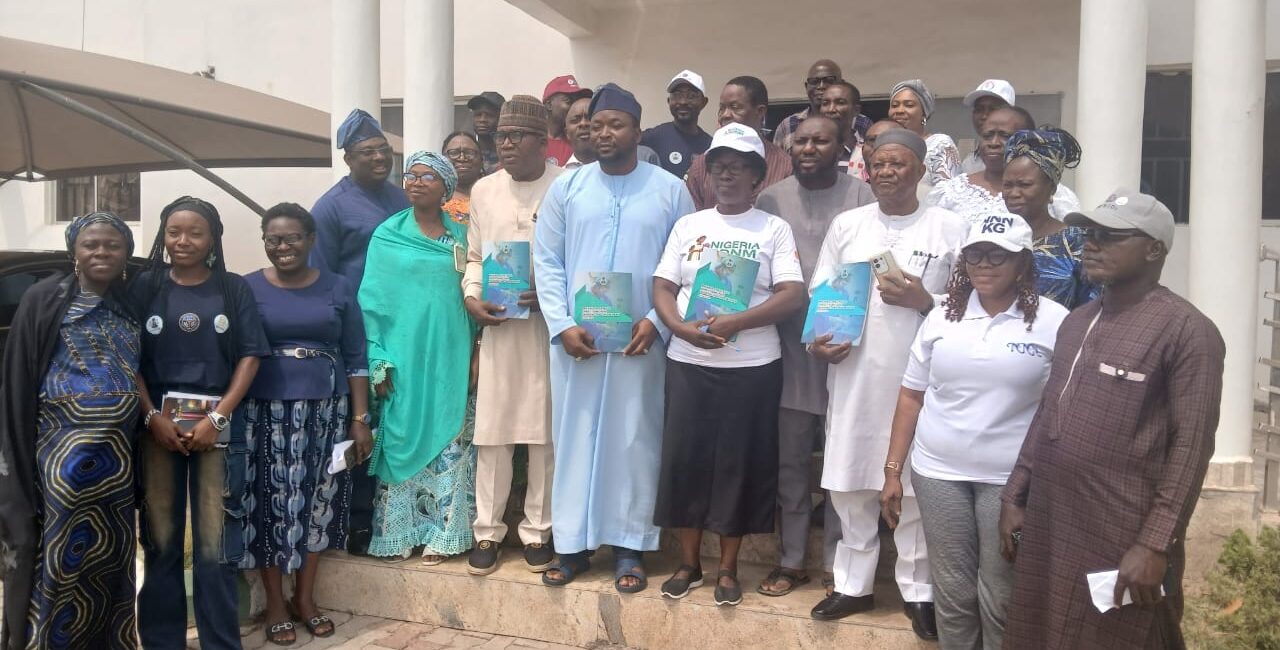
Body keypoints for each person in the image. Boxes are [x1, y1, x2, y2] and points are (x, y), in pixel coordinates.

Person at [999, 189, 1225, 649]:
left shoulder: (1187, 331)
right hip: (1053, 517)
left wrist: (1155, 543)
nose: (1092, 244)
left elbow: (1191, 447)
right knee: (1041, 632)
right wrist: (1016, 492)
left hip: (1121, 528)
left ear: (1154, 249)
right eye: (1090, 233)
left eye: (1111, 236)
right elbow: (1048, 412)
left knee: (1121, 635)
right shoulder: (1077, 321)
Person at [533, 83, 695, 593]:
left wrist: (656, 320)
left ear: (637, 132)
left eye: (615, 125)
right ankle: (572, 546)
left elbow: (685, 265)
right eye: (596, 124)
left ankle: (630, 547)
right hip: (576, 341)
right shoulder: (567, 188)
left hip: (641, 340)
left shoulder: (670, 190)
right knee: (575, 435)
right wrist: (561, 324)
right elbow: (547, 261)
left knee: (633, 437)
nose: (603, 133)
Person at [880, 213, 1068, 650]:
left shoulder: (1054, 321)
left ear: (1022, 263)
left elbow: (1059, 408)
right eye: (975, 255)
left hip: (1010, 482)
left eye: (998, 256)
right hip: (939, 474)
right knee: (954, 592)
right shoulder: (942, 316)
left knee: (1001, 593)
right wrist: (892, 472)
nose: (984, 264)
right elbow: (911, 395)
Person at [806, 130, 965, 641]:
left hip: (921, 381)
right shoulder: (848, 225)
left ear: (920, 170)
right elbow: (822, 290)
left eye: (898, 163)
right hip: (854, 374)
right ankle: (853, 585)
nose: (886, 172)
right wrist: (819, 341)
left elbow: (971, 303)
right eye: (878, 164)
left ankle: (918, 591)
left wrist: (926, 301)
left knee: (916, 487)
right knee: (850, 479)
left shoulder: (949, 228)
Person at [652, 123, 807, 607]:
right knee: (687, 462)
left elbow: (792, 294)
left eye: (738, 168)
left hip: (752, 368)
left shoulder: (772, 229)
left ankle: (727, 568)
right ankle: (688, 564)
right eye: (718, 167)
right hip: (688, 363)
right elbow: (663, 285)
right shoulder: (689, 226)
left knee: (738, 466)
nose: (726, 175)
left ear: (757, 177)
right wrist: (678, 328)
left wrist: (738, 321)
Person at [132, 196, 269, 650]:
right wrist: (151, 415)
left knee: (214, 544)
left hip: (217, 427)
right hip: (158, 428)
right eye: (174, 232)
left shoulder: (232, 288)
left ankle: (220, 642)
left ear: (213, 239)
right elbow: (127, 357)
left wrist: (217, 416)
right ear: (163, 236)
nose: (183, 241)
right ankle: (161, 641)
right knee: (161, 539)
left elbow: (250, 355)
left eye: (195, 232)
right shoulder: (145, 286)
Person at [0, 213, 140, 649]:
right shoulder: (45, 298)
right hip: (63, 454)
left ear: (126, 252)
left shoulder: (129, 303)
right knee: (61, 551)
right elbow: (21, 375)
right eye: (90, 244)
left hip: (117, 460)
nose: (102, 252)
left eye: (113, 245)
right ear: (74, 252)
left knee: (111, 554)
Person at [754, 115, 875, 599]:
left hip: (847, 349)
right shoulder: (770, 199)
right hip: (788, 349)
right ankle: (791, 560)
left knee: (842, 464)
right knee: (791, 464)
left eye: (820, 140)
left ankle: (837, 565)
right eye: (800, 140)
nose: (808, 148)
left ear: (841, 145)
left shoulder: (862, 196)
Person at [241, 203, 371, 645]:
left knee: (318, 501)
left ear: (311, 240)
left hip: (327, 411)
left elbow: (356, 356)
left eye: (293, 237)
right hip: (263, 412)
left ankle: (305, 599)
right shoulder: (247, 288)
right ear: (264, 241)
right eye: (274, 239)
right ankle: (276, 603)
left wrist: (359, 419)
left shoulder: (338, 286)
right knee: (267, 503)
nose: (283, 246)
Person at [462, 96, 564, 575]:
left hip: (550, 328)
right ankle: (487, 531)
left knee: (544, 435)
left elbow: (579, 257)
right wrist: (472, 297)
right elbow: (475, 256)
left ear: (542, 143)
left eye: (515, 136)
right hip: (501, 328)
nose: (504, 144)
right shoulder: (484, 190)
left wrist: (552, 296)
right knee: (494, 432)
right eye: (501, 136)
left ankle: (538, 531)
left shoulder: (566, 186)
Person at [360, 151, 477, 564]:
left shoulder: (463, 237)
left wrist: (478, 353)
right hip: (402, 356)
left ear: (446, 188)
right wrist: (378, 358)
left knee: (451, 437)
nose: (417, 182)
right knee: (401, 434)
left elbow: (475, 292)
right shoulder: (386, 235)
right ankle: (400, 532)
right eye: (411, 174)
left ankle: (444, 534)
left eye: (428, 176)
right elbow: (372, 301)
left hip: (451, 353)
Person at [310, 109, 408, 554]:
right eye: (367, 152)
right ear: (348, 158)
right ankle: (357, 520)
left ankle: (396, 515)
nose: (379, 158)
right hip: (358, 330)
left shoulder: (401, 198)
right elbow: (322, 275)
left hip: (402, 325)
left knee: (397, 419)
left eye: (383, 150)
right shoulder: (331, 207)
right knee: (361, 421)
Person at [927, 107, 1081, 225]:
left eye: (1005, 136)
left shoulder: (1056, 194)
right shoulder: (949, 192)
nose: (993, 143)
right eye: (987, 135)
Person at [1003, 128, 1098, 309]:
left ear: (1052, 188)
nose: (1014, 193)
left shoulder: (1076, 241)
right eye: (1007, 185)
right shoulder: (994, 236)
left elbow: (1092, 306)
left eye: (1025, 185)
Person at [686, 76, 793, 210]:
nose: (725, 115)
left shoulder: (785, 167)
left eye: (735, 107)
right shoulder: (701, 166)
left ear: (760, 111)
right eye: (722, 108)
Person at [773, 60, 871, 154]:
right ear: (806, 87)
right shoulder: (788, 125)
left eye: (829, 80)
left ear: (841, 83)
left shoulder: (862, 123)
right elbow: (778, 162)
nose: (821, 86)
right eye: (814, 81)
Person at [641, 69, 713, 178]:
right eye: (677, 95)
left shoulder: (710, 146)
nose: (683, 102)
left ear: (704, 102)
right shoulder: (652, 137)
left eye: (691, 96)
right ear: (669, 101)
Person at [889, 79, 961, 186]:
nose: (899, 110)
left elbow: (950, 190)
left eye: (909, 105)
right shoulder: (887, 146)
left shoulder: (940, 144)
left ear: (924, 113)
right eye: (895, 105)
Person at [565, 95, 662, 169]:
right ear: (566, 133)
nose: (583, 124)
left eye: (589, 119)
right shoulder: (562, 180)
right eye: (575, 120)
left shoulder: (643, 158)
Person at [960, 80, 1016, 174]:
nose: (984, 116)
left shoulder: (1025, 158)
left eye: (993, 109)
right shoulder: (968, 163)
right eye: (979, 109)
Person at [542, 74, 593, 166]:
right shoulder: (534, 141)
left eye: (577, 101)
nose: (575, 106)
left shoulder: (583, 139)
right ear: (549, 105)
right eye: (569, 101)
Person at [820, 81, 863, 173]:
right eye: (825, 103)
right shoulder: (808, 149)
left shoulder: (866, 151)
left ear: (856, 110)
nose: (831, 109)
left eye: (840, 103)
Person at [849, 118, 905, 182]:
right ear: (862, 149)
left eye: (889, 140)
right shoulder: (848, 185)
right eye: (872, 140)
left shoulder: (913, 185)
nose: (878, 146)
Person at [444, 131, 485, 213]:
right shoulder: (434, 198)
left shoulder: (496, 194)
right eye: (453, 153)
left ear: (481, 160)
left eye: (469, 152)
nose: (462, 158)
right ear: (443, 160)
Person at [467, 91, 505, 175]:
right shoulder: (465, 155)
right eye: (478, 115)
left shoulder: (509, 153)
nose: (482, 120)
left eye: (490, 115)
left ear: (501, 118)